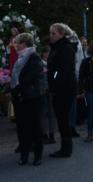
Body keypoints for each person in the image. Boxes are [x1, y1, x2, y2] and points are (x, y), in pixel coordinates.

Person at [10, 33, 44, 166]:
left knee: (35, 126)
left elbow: (29, 78)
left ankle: (37, 155)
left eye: (18, 43)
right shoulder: (21, 58)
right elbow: (16, 77)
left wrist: (16, 89)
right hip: (21, 97)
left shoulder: (34, 58)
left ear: (24, 43)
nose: (16, 45)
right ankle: (24, 155)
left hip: (32, 96)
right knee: (22, 127)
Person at [47, 23, 77, 158]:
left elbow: (62, 71)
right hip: (59, 88)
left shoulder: (65, 48)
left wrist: (54, 83)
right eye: (50, 33)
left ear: (61, 34)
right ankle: (65, 147)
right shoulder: (57, 48)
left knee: (63, 118)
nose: (51, 36)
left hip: (64, 89)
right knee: (61, 119)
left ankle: (66, 149)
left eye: (53, 33)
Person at [40, 47, 56, 144]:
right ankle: (44, 133)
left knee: (51, 113)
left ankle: (51, 134)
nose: (48, 54)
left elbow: (55, 76)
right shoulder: (40, 63)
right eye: (47, 52)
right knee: (44, 113)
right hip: (43, 90)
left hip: (50, 90)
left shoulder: (52, 64)